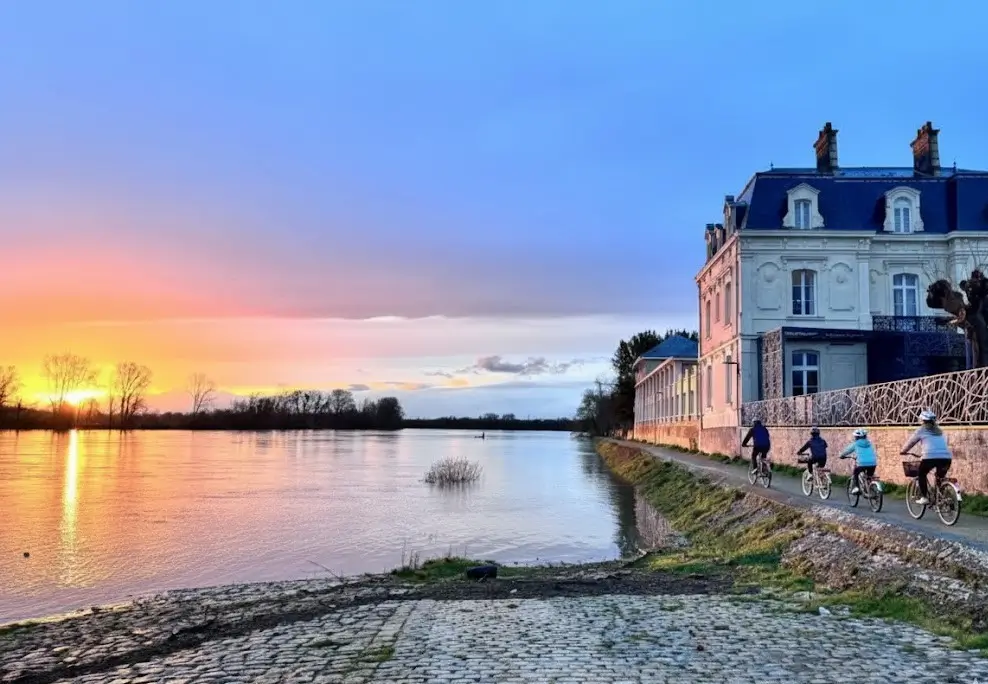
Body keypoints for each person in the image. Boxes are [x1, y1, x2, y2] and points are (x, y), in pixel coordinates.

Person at [900, 409, 953, 505]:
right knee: (940, 477)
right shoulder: (939, 430)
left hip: (929, 457)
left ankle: (924, 497)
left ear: (923, 421)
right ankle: (942, 497)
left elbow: (911, 442)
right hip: (946, 458)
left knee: (921, 474)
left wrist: (903, 451)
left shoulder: (921, 430)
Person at [839, 428, 877, 495]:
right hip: (873, 463)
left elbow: (847, 450)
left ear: (857, 437)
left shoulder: (855, 444)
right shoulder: (869, 443)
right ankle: (870, 489)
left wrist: (841, 455)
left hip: (862, 463)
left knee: (855, 473)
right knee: (869, 476)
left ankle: (857, 488)